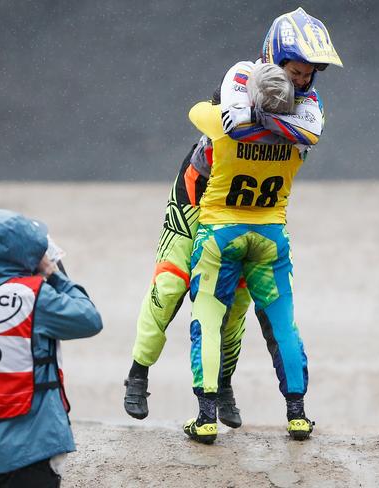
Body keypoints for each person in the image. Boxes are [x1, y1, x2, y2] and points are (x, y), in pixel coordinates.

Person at [183, 7, 343, 444]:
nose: (305, 78)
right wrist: (282, 120)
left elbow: (202, 112)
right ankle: (297, 415)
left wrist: (249, 101)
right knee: (283, 325)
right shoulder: (307, 122)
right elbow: (305, 129)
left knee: (209, 321)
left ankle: (206, 417)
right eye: (300, 72)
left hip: (220, 234)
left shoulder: (224, 121)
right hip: (271, 235)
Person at [124, 62, 299, 428]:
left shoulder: (291, 130)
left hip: (234, 218)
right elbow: (202, 112)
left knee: (233, 308)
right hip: (193, 199)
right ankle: (138, 373)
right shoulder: (230, 116)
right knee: (170, 285)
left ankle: (223, 386)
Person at [0, 209, 103, 488]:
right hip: (28, 450)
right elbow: (89, 319)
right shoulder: (33, 296)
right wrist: (53, 275)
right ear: (28, 255)